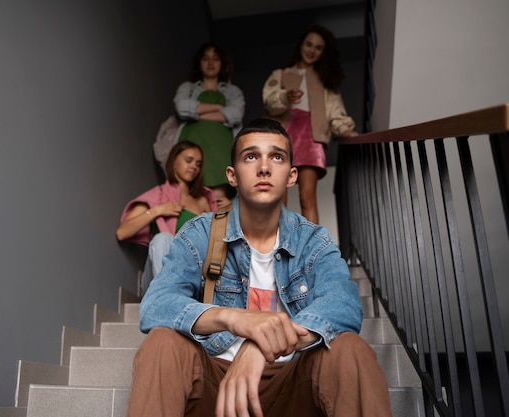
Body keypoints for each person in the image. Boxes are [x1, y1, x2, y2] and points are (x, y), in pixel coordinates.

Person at [126, 119, 392, 417]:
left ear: (291, 175)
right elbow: (156, 305)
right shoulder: (200, 233)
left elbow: (343, 307)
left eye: (276, 157)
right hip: (217, 383)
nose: (264, 168)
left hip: (291, 381)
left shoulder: (313, 240)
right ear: (232, 175)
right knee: (162, 343)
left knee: (350, 350)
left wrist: (260, 346)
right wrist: (234, 318)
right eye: (250, 156)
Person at [263, 24, 358, 224]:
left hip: (312, 138)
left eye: (318, 47)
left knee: (307, 198)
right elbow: (269, 101)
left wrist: (345, 129)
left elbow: (335, 110)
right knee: (278, 197)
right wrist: (286, 96)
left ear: (324, 53)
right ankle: (279, 247)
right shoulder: (281, 74)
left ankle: (313, 250)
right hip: (283, 135)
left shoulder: (326, 82)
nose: (311, 50)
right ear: (301, 45)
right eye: (309, 44)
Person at [116, 141, 216, 294]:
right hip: (157, 280)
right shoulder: (159, 195)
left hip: (192, 273)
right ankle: (167, 299)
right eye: (188, 160)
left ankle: (179, 298)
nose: (194, 167)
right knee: (162, 238)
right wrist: (157, 210)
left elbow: (215, 240)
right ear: (173, 162)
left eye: (198, 164)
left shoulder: (202, 201)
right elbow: (122, 233)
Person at [174, 42, 245, 202]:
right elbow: (181, 107)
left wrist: (197, 113)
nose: (211, 62)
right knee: (191, 196)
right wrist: (217, 107)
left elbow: (235, 114)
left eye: (215, 58)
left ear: (222, 63)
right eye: (206, 58)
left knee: (217, 199)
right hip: (192, 141)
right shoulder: (188, 88)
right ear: (199, 63)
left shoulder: (233, 91)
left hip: (221, 146)